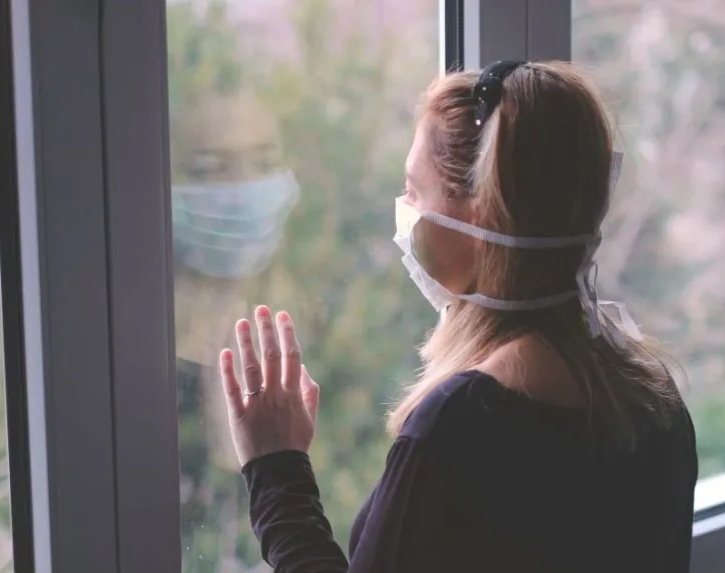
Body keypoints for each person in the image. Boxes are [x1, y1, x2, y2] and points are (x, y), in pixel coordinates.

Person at [218, 60, 699, 573]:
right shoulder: (653, 398)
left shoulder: (462, 424)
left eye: (414, 191)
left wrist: (277, 470)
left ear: (481, 214)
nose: (404, 209)